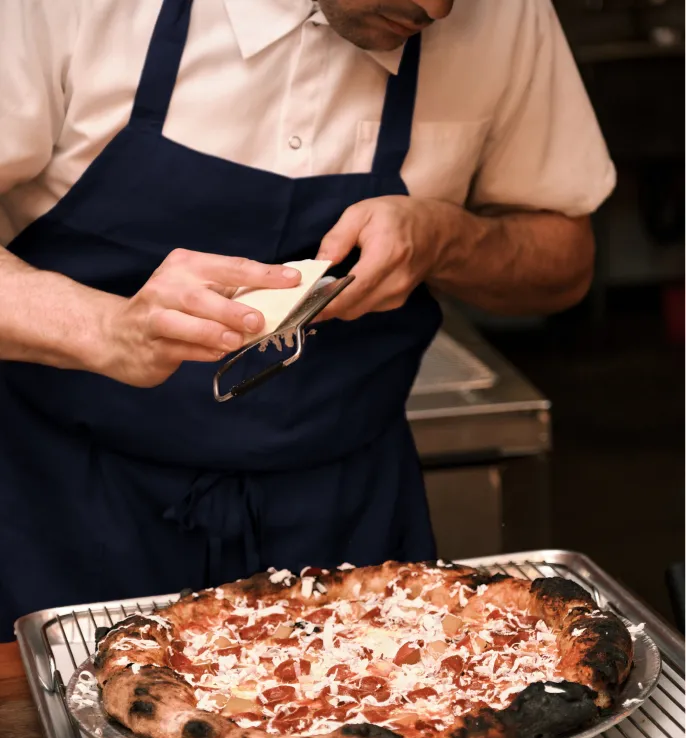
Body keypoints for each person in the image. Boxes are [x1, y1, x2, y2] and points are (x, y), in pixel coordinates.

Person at [0, 0, 615, 638]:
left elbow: (565, 259)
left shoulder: (507, 15)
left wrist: (448, 241)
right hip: (66, 511)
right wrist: (103, 327)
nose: (436, 6)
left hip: (355, 523)